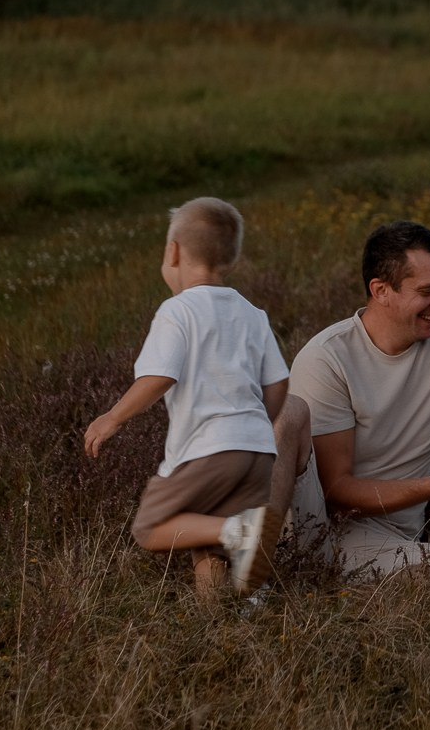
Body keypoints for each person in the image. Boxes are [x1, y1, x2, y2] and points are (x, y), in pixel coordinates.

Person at [84, 197, 310, 599]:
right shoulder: (252, 313)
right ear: (232, 260)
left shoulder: (178, 311)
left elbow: (159, 376)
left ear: (172, 252)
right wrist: (259, 425)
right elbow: (278, 384)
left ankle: (237, 532)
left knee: (152, 527)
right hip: (257, 454)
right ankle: (234, 613)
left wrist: (113, 417)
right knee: (205, 542)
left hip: (207, 451)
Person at [288, 220, 430, 579]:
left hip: (405, 532)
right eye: (428, 290)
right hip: (328, 537)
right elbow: (335, 492)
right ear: (381, 290)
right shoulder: (326, 360)